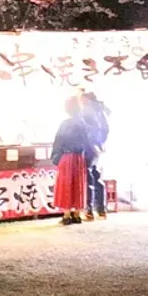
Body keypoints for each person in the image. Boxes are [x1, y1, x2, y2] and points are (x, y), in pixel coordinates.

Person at [50, 97, 93, 226]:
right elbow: (88, 143)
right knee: (79, 186)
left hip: (67, 157)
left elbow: (58, 141)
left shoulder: (65, 124)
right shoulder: (83, 123)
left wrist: (56, 157)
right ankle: (77, 215)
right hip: (80, 158)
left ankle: (67, 215)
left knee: (66, 186)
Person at [78, 90, 111, 219]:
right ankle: (101, 209)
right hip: (97, 148)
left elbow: (86, 129)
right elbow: (105, 129)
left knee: (88, 178)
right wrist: (100, 143)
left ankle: (89, 209)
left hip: (88, 147)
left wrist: (91, 143)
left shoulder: (87, 110)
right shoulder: (100, 110)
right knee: (96, 177)